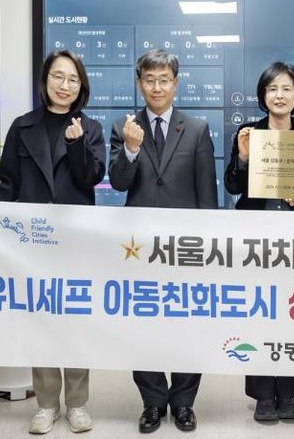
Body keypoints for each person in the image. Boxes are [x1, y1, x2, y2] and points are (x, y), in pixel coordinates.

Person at [0, 50, 106, 434]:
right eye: (58, 77)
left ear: (81, 86)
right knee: (42, 321)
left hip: (75, 241)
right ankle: (47, 405)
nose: (65, 85)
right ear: (45, 80)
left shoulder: (90, 127)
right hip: (34, 243)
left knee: (75, 321)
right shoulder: (23, 126)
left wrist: (77, 145)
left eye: (73, 79)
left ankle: (78, 404)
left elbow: (90, 179)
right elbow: (8, 186)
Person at [108, 48, 217, 434]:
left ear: (176, 83)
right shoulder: (124, 126)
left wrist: (208, 245)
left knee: (189, 322)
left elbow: (207, 194)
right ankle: (153, 402)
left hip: (185, 246)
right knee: (144, 323)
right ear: (140, 83)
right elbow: (118, 182)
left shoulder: (197, 129)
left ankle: (184, 402)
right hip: (139, 246)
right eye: (150, 80)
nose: (157, 87)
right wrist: (131, 148)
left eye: (164, 80)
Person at [224, 61, 294, 421]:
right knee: (258, 313)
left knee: (291, 312)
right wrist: (242, 157)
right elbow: (232, 186)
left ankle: (288, 393)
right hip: (256, 240)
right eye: (272, 89)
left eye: (286, 89)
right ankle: (262, 395)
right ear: (263, 95)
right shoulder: (249, 133)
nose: (279, 95)